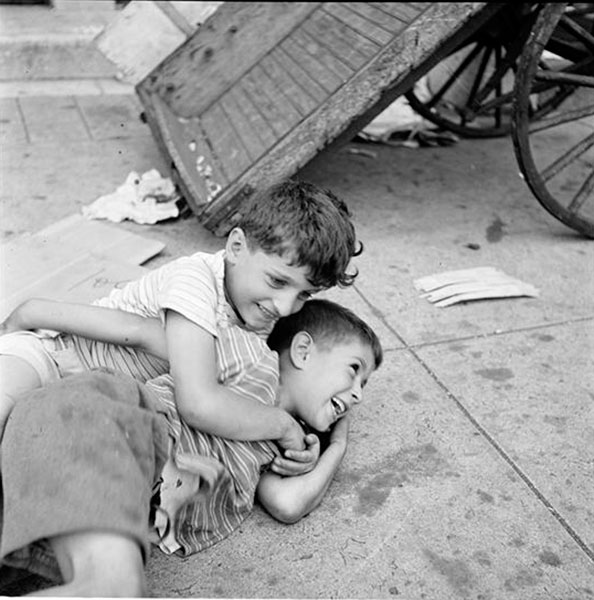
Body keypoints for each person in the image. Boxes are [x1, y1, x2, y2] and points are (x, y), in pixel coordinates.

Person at [0, 298, 383, 597]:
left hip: (99, 506)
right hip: (105, 426)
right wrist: (39, 311)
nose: (358, 395)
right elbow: (139, 333)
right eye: (354, 370)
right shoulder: (247, 356)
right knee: (98, 398)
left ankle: (103, 584)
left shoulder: (286, 445)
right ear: (302, 350)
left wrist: (338, 445)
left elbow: (288, 503)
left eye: (363, 385)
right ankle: (107, 585)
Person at [0, 180, 361, 475]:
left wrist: (320, 436)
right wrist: (283, 426)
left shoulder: (259, 316)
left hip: (92, 407)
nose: (285, 307)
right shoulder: (195, 280)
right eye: (278, 281)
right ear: (236, 246)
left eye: (304, 294)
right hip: (53, 358)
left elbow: (253, 399)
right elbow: (199, 404)